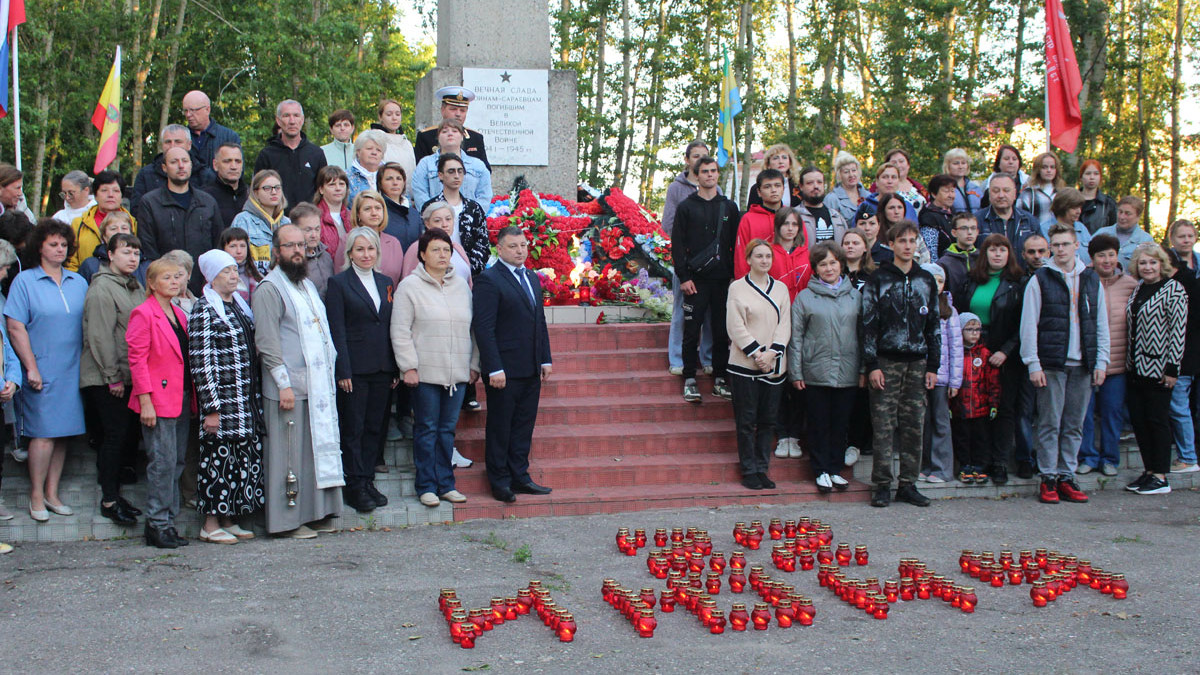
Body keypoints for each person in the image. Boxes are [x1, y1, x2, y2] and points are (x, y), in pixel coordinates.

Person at [251, 223, 343, 538]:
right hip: (286, 388)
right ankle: (286, 522)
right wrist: (283, 384)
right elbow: (266, 342)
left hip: (313, 386)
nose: (296, 252)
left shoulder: (305, 285)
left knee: (310, 455)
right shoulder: (269, 288)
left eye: (301, 246)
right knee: (287, 456)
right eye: (289, 246)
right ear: (276, 251)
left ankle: (315, 513)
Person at [1020, 222, 1110, 504]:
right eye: (1055, 245)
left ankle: (1066, 475)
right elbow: (1029, 324)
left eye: (1064, 244)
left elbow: (1101, 324)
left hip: (1082, 363)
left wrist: (1101, 361)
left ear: (1076, 246)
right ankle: (1047, 477)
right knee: (1049, 422)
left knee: (1074, 423)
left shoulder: (1091, 279)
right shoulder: (1041, 279)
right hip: (1051, 363)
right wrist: (1032, 362)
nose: (1060, 249)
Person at [5, 220, 88, 522]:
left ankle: (53, 493)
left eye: (64, 244)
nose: (59, 249)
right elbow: (15, 326)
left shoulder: (78, 281)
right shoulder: (25, 282)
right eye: (53, 244)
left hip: (73, 368)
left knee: (63, 433)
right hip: (41, 367)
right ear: (40, 246)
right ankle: (36, 495)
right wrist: (30, 367)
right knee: (42, 435)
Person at [392, 227, 478, 506]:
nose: (442, 255)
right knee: (427, 430)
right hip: (425, 372)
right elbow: (400, 330)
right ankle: (426, 486)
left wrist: (474, 364)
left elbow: (472, 329)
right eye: (436, 250)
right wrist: (409, 367)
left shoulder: (461, 287)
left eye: (446, 250)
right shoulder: (409, 286)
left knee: (447, 431)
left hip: (457, 373)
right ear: (422, 254)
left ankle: (446, 484)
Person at [861, 220, 940, 508]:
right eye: (902, 241)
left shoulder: (926, 280)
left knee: (913, 425)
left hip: (917, 362)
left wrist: (933, 365)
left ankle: (908, 483)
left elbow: (933, 325)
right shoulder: (878, 279)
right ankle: (882, 484)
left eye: (912, 241)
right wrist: (872, 364)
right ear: (891, 244)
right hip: (886, 360)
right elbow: (868, 324)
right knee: (883, 425)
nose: (907, 246)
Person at [472, 226, 553, 503]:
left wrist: (545, 358)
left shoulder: (531, 277)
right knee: (500, 426)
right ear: (499, 249)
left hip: (530, 366)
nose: (520, 251)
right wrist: (493, 367)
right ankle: (499, 481)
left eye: (523, 245)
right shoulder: (489, 280)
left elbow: (538, 321)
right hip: (503, 371)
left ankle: (520, 476)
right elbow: (483, 328)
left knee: (523, 425)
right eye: (513, 246)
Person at [189, 249, 265, 544]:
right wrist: (211, 407)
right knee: (217, 461)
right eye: (226, 272)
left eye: (235, 270)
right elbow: (201, 359)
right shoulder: (204, 309)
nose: (233, 276)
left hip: (245, 401)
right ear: (211, 276)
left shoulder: (238, 306)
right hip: (222, 402)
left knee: (239, 460)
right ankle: (209, 523)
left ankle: (229, 516)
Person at [327, 226, 398, 512]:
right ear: (350, 253)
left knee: (374, 428)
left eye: (370, 249)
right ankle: (354, 485)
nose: (366, 254)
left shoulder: (386, 282)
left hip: (382, 367)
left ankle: (367, 480)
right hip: (354, 369)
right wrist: (342, 370)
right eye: (360, 249)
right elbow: (337, 329)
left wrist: (394, 366)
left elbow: (391, 325)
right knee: (353, 428)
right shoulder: (339, 283)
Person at [126, 258, 194, 548]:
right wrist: (146, 401)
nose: (174, 282)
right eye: (166, 278)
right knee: (162, 463)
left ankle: (168, 522)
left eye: (177, 276)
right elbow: (137, 359)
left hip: (180, 397)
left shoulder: (179, 314)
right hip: (157, 399)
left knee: (176, 461)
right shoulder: (143, 313)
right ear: (151, 283)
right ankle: (156, 524)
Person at [80, 233, 145, 527]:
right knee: (114, 437)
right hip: (106, 378)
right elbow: (99, 336)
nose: (133, 258)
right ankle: (108, 499)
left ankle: (117, 495)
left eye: (136, 253)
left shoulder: (133, 286)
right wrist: (112, 377)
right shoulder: (102, 288)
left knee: (126, 438)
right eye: (126, 252)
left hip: (128, 375)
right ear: (110, 254)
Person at [790, 241, 859, 493]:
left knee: (840, 424)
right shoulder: (805, 298)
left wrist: (862, 369)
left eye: (833, 262)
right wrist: (796, 371)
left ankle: (835, 469)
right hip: (814, 371)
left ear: (841, 264)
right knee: (819, 423)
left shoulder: (855, 296)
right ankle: (820, 471)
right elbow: (796, 337)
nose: (829, 268)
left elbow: (863, 335)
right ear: (815, 268)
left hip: (847, 370)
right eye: (823, 264)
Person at [958, 233, 1026, 484]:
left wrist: (1006, 351)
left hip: (1003, 355)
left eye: (1002, 250)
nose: (997, 254)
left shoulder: (1018, 282)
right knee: (977, 410)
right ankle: (978, 461)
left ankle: (999, 462)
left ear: (1010, 254)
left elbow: (1024, 324)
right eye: (992, 250)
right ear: (984, 254)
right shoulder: (972, 280)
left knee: (1004, 409)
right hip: (973, 353)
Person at [1123, 243, 1188, 496]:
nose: (1147, 267)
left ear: (1161, 264)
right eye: (1142, 263)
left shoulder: (1174, 290)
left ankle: (1161, 476)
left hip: (1160, 368)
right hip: (1136, 367)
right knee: (1140, 421)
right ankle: (1149, 470)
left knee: (1157, 421)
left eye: (1152, 262)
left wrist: (1172, 369)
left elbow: (1178, 331)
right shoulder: (1139, 288)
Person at [672, 156, 738, 403]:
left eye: (714, 171)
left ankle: (720, 378)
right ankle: (690, 378)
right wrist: (684, 277)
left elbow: (735, 244)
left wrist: (735, 277)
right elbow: (677, 245)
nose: (710, 175)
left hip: (723, 280)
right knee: (692, 331)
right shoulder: (686, 207)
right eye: (705, 171)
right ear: (696, 175)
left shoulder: (729, 207)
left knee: (722, 330)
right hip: (695, 281)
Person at [726, 239, 790, 490]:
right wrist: (757, 353)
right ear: (749, 259)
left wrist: (773, 353)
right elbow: (735, 325)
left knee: (768, 420)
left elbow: (785, 324)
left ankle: (763, 468)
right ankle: (748, 469)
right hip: (745, 363)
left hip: (774, 363)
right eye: (759, 256)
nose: (764, 260)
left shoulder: (781, 289)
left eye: (768, 256)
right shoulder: (737, 288)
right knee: (746, 419)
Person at [1078, 234, 1136, 476]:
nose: (1107, 260)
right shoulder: (1083, 282)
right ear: (1092, 258)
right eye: (1101, 255)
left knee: (1112, 413)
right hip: (1087, 361)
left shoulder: (1131, 284)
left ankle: (1110, 458)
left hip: (1117, 363)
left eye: (1111, 254)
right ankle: (1088, 456)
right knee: (1085, 415)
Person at [136, 147, 225, 294]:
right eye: (174, 162)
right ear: (164, 167)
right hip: (166, 290)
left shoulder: (208, 202)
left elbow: (218, 245)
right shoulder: (150, 203)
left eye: (185, 161)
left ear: (191, 165)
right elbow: (148, 249)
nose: (181, 165)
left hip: (204, 288)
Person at [663, 141, 714, 376]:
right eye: (695, 156)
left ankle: (707, 357)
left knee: (709, 313)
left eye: (704, 156)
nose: (700, 160)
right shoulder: (677, 188)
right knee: (682, 311)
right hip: (686, 261)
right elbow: (669, 225)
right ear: (687, 160)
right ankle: (677, 358)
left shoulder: (717, 189)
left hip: (711, 264)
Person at [918, 263, 962, 484]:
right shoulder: (916, 304)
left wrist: (955, 380)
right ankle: (925, 466)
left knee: (941, 423)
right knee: (922, 422)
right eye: (930, 278)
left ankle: (943, 468)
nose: (935, 283)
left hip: (943, 378)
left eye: (939, 279)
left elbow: (956, 347)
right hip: (920, 375)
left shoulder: (949, 311)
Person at [420, 154, 490, 277]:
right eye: (451, 171)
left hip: (469, 273)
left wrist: (469, 267)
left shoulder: (474, 209)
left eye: (460, 171)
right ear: (441, 175)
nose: (456, 176)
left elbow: (483, 243)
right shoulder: (430, 207)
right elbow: (423, 239)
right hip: (436, 272)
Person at [952, 313, 1001, 484]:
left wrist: (994, 402)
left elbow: (993, 380)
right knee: (962, 438)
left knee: (980, 438)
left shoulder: (985, 353)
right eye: (969, 329)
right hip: (961, 407)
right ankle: (965, 466)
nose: (974, 333)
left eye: (977, 329)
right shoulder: (956, 352)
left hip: (981, 407)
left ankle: (979, 466)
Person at [253, 100, 328, 210]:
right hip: (277, 219)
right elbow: (257, 190)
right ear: (278, 121)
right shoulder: (267, 155)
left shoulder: (316, 153)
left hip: (309, 219)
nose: (292, 121)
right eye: (286, 116)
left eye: (296, 115)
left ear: (302, 120)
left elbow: (324, 190)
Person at [412, 119, 491, 212]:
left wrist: (471, 215)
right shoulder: (425, 164)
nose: (450, 134)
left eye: (455, 131)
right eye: (444, 131)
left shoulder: (478, 165)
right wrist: (435, 215)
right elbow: (420, 193)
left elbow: (484, 196)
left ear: (462, 136)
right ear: (438, 137)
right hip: (436, 221)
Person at [67, 171, 137, 272]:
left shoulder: (133, 223)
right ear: (95, 196)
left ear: (122, 196)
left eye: (116, 191)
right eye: (104, 190)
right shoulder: (79, 224)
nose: (110, 195)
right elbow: (71, 262)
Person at [334, 190, 404, 284]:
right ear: (358, 214)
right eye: (367, 209)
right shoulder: (346, 241)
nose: (374, 213)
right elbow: (339, 278)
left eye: (378, 208)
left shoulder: (394, 243)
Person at [414, 86, 490, 169]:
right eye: (453, 109)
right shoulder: (426, 136)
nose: (458, 114)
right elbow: (420, 169)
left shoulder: (476, 138)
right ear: (443, 110)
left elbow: (485, 169)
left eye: (462, 110)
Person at [231, 170, 289, 276]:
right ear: (256, 192)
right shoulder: (243, 220)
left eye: (277, 187)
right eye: (267, 188)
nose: (274, 192)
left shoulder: (287, 223)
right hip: (253, 284)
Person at [402, 201, 473, 285]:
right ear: (427, 224)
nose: (444, 224)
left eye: (448, 219)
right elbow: (408, 282)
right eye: (437, 221)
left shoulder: (457, 247)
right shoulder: (417, 247)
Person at [181, 90, 242, 185]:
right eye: (186, 111)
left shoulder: (229, 137)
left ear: (207, 110)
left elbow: (238, 173)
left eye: (193, 110)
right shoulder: (180, 139)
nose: (188, 115)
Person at [131, 125, 195, 213]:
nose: (172, 146)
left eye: (178, 142)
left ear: (189, 145)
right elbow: (137, 210)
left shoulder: (202, 173)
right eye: (168, 142)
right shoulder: (146, 175)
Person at [734, 169, 786, 277]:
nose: (773, 190)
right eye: (767, 187)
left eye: (777, 185)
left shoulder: (792, 217)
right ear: (759, 192)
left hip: (788, 281)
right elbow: (742, 255)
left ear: (783, 189)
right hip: (758, 281)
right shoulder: (748, 219)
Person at [78, 211, 148, 285]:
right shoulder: (91, 265)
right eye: (113, 229)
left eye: (124, 228)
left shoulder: (145, 266)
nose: (119, 232)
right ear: (104, 236)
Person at [975, 173, 1039, 248]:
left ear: (1015, 193)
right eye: (996, 191)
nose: (1001, 195)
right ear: (989, 194)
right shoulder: (977, 221)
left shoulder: (1029, 221)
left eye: (1006, 190)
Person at [1094, 196, 1154, 271]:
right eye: (1120, 212)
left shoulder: (1145, 240)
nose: (1122, 217)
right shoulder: (1101, 233)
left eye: (1127, 213)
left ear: (1138, 216)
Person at [201, 143, 249, 228]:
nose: (233, 167)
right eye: (227, 161)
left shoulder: (251, 195)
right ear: (215, 165)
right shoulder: (204, 198)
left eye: (238, 161)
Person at [769, 207, 812, 301]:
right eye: (785, 223)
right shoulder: (769, 254)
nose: (790, 228)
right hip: (776, 305)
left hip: (802, 307)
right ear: (778, 226)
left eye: (794, 224)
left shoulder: (807, 255)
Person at [1041, 188, 1093, 264]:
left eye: (1080, 207)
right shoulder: (1044, 229)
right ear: (1062, 207)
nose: (1079, 211)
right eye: (1074, 208)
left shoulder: (1081, 228)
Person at [795, 166, 846, 245]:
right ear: (801, 186)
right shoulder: (794, 216)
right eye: (810, 183)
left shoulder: (837, 217)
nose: (816, 186)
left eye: (819, 182)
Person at [371, 98, 417, 185]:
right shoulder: (375, 140)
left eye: (397, 114)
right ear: (380, 117)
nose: (394, 118)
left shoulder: (407, 143)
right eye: (389, 114)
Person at [292, 202, 334, 298]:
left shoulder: (326, 256)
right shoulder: (293, 261)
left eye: (317, 229)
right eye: (308, 230)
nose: (314, 235)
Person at [936, 212, 980, 304]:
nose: (969, 232)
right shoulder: (944, 263)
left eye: (973, 228)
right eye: (964, 228)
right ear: (954, 232)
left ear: (977, 232)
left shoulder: (983, 259)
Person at [378, 163, 422, 250]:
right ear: (380, 184)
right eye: (389, 179)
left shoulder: (414, 214)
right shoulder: (377, 212)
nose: (395, 183)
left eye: (399, 179)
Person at [313, 165, 351, 255]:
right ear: (321, 189)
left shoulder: (352, 217)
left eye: (341, 184)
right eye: (332, 185)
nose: (338, 188)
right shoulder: (314, 218)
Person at [824, 151, 871, 223]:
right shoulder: (832, 199)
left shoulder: (869, 196)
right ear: (839, 175)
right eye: (846, 172)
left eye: (854, 170)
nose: (851, 175)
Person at [1017, 152, 1063, 226]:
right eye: (1044, 167)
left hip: (1059, 235)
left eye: (1052, 167)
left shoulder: (1061, 192)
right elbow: (1019, 217)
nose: (1049, 170)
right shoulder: (1029, 193)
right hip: (1037, 235)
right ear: (1038, 169)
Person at [218, 227, 261, 304]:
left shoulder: (256, 276)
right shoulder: (217, 277)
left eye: (242, 246)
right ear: (223, 248)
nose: (239, 251)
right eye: (233, 246)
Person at [346, 129, 387, 205]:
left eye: (378, 150)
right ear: (358, 152)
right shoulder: (346, 177)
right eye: (369, 149)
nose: (374, 153)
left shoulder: (391, 174)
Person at [919, 174, 957, 257]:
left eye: (952, 191)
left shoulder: (953, 213)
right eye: (946, 191)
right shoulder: (929, 218)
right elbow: (931, 253)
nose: (951, 195)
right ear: (934, 194)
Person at [1078, 160, 1118, 234]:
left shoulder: (1108, 204)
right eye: (1088, 173)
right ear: (1081, 177)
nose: (1092, 177)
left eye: (1096, 174)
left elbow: (1114, 230)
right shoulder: (1071, 201)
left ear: (1100, 177)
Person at [944, 148, 983, 213]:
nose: (960, 166)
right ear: (947, 166)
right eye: (956, 163)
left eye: (963, 163)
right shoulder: (943, 188)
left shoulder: (975, 188)